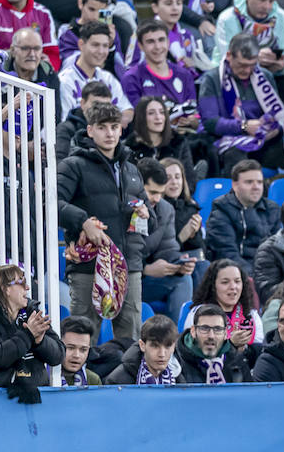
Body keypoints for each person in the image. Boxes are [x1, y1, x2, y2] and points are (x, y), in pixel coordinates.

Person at [58, 101, 146, 341]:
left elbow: (150, 217)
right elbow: (51, 204)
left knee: (130, 340)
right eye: (102, 127)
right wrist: (83, 221)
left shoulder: (131, 169)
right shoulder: (73, 165)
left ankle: (126, 381)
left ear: (121, 130)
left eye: (114, 127)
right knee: (82, 337)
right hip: (88, 266)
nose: (109, 133)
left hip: (129, 266)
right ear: (89, 130)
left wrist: (147, 214)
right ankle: (80, 381)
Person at [198, 32, 284, 176]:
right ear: (229, 56)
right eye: (242, 65)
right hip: (228, 144)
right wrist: (244, 126)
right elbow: (210, 122)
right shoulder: (212, 79)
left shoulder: (265, 77)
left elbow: (277, 117)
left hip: (262, 143)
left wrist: (274, 130)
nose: (247, 70)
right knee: (238, 159)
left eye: (252, 65)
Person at [0, 264, 65, 389]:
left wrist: (40, 341)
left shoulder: (32, 312)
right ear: (5, 288)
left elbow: (58, 355)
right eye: (22, 282)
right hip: (1, 397)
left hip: (36, 395)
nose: (27, 287)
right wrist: (28, 334)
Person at [211, 0, 284, 106]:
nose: (267, 6)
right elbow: (227, 59)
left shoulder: (282, 18)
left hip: (270, 75)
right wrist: (255, 61)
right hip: (233, 75)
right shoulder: (227, 18)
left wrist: (281, 65)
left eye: (271, 1)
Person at [135, 158, 196, 324]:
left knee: (185, 278)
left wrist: (179, 263)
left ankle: (176, 341)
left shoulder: (165, 209)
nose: (157, 198)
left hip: (146, 279)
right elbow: (119, 255)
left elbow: (167, 248)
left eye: (161, 193)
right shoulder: (125, 208)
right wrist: (146, 270)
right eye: (152, 192)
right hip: (125, 281)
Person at [204, 160, 282, 271]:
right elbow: (227, 253)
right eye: (249, 182)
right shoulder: (222, 208)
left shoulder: (272, 209)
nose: (256, 187)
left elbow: (277, 250)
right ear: (235, 185)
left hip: (264, 273)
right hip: (235, 275)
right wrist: (255, 278)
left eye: (259, 182)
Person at [58, 21, 134, 124]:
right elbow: (65, 121)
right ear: (81, 44)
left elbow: (127, 111)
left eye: (105, 46)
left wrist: (109, 127)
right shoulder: (65, 81)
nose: (101, 51)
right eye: (95, 45)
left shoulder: (108, 78)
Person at [58, 0, 140, 74]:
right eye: (91, 9)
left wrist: (111, 47)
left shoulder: (111, 33)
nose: (95, 16)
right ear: (80, 4)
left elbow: (120, 72)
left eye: (101, 11)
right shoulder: (67, 32)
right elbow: (70, 68)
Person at [122, 21, 199, 116]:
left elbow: (194, 113)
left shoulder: (185, 75)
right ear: (141, 46)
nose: (157, 47)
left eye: (161, 40)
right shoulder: (132, 78)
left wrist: (192, 121)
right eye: (150, 42)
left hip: (185, 130)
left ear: (168, 42)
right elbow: (138, 117)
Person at [188, 259, 263, 354]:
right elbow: (191, 351)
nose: (233, 287)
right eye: (225, 282)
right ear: (213, 286)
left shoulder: (252, 315)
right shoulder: (199, 313)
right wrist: (230, 344)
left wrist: (246, 349)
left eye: (237, 281)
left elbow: (260, 351)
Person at [177, 304, 253, 383]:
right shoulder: (177, 361)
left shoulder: (237, 360)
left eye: (218, 329)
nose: (211, 336)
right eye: (204, 328)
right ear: (193, 331)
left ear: (226, 333)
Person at [106, 314, 183, 384]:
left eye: (167, 346)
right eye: (155, 346)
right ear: (142, 345)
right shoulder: (117, 380)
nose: (162, 354)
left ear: (174, 347)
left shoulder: (178, 378)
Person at [56, 81, 112, 161]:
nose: (100, 109)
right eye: (96, 104)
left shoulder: (112, 131)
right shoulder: (67, 129)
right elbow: (60, 162)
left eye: (106, 105)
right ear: (82, 103)